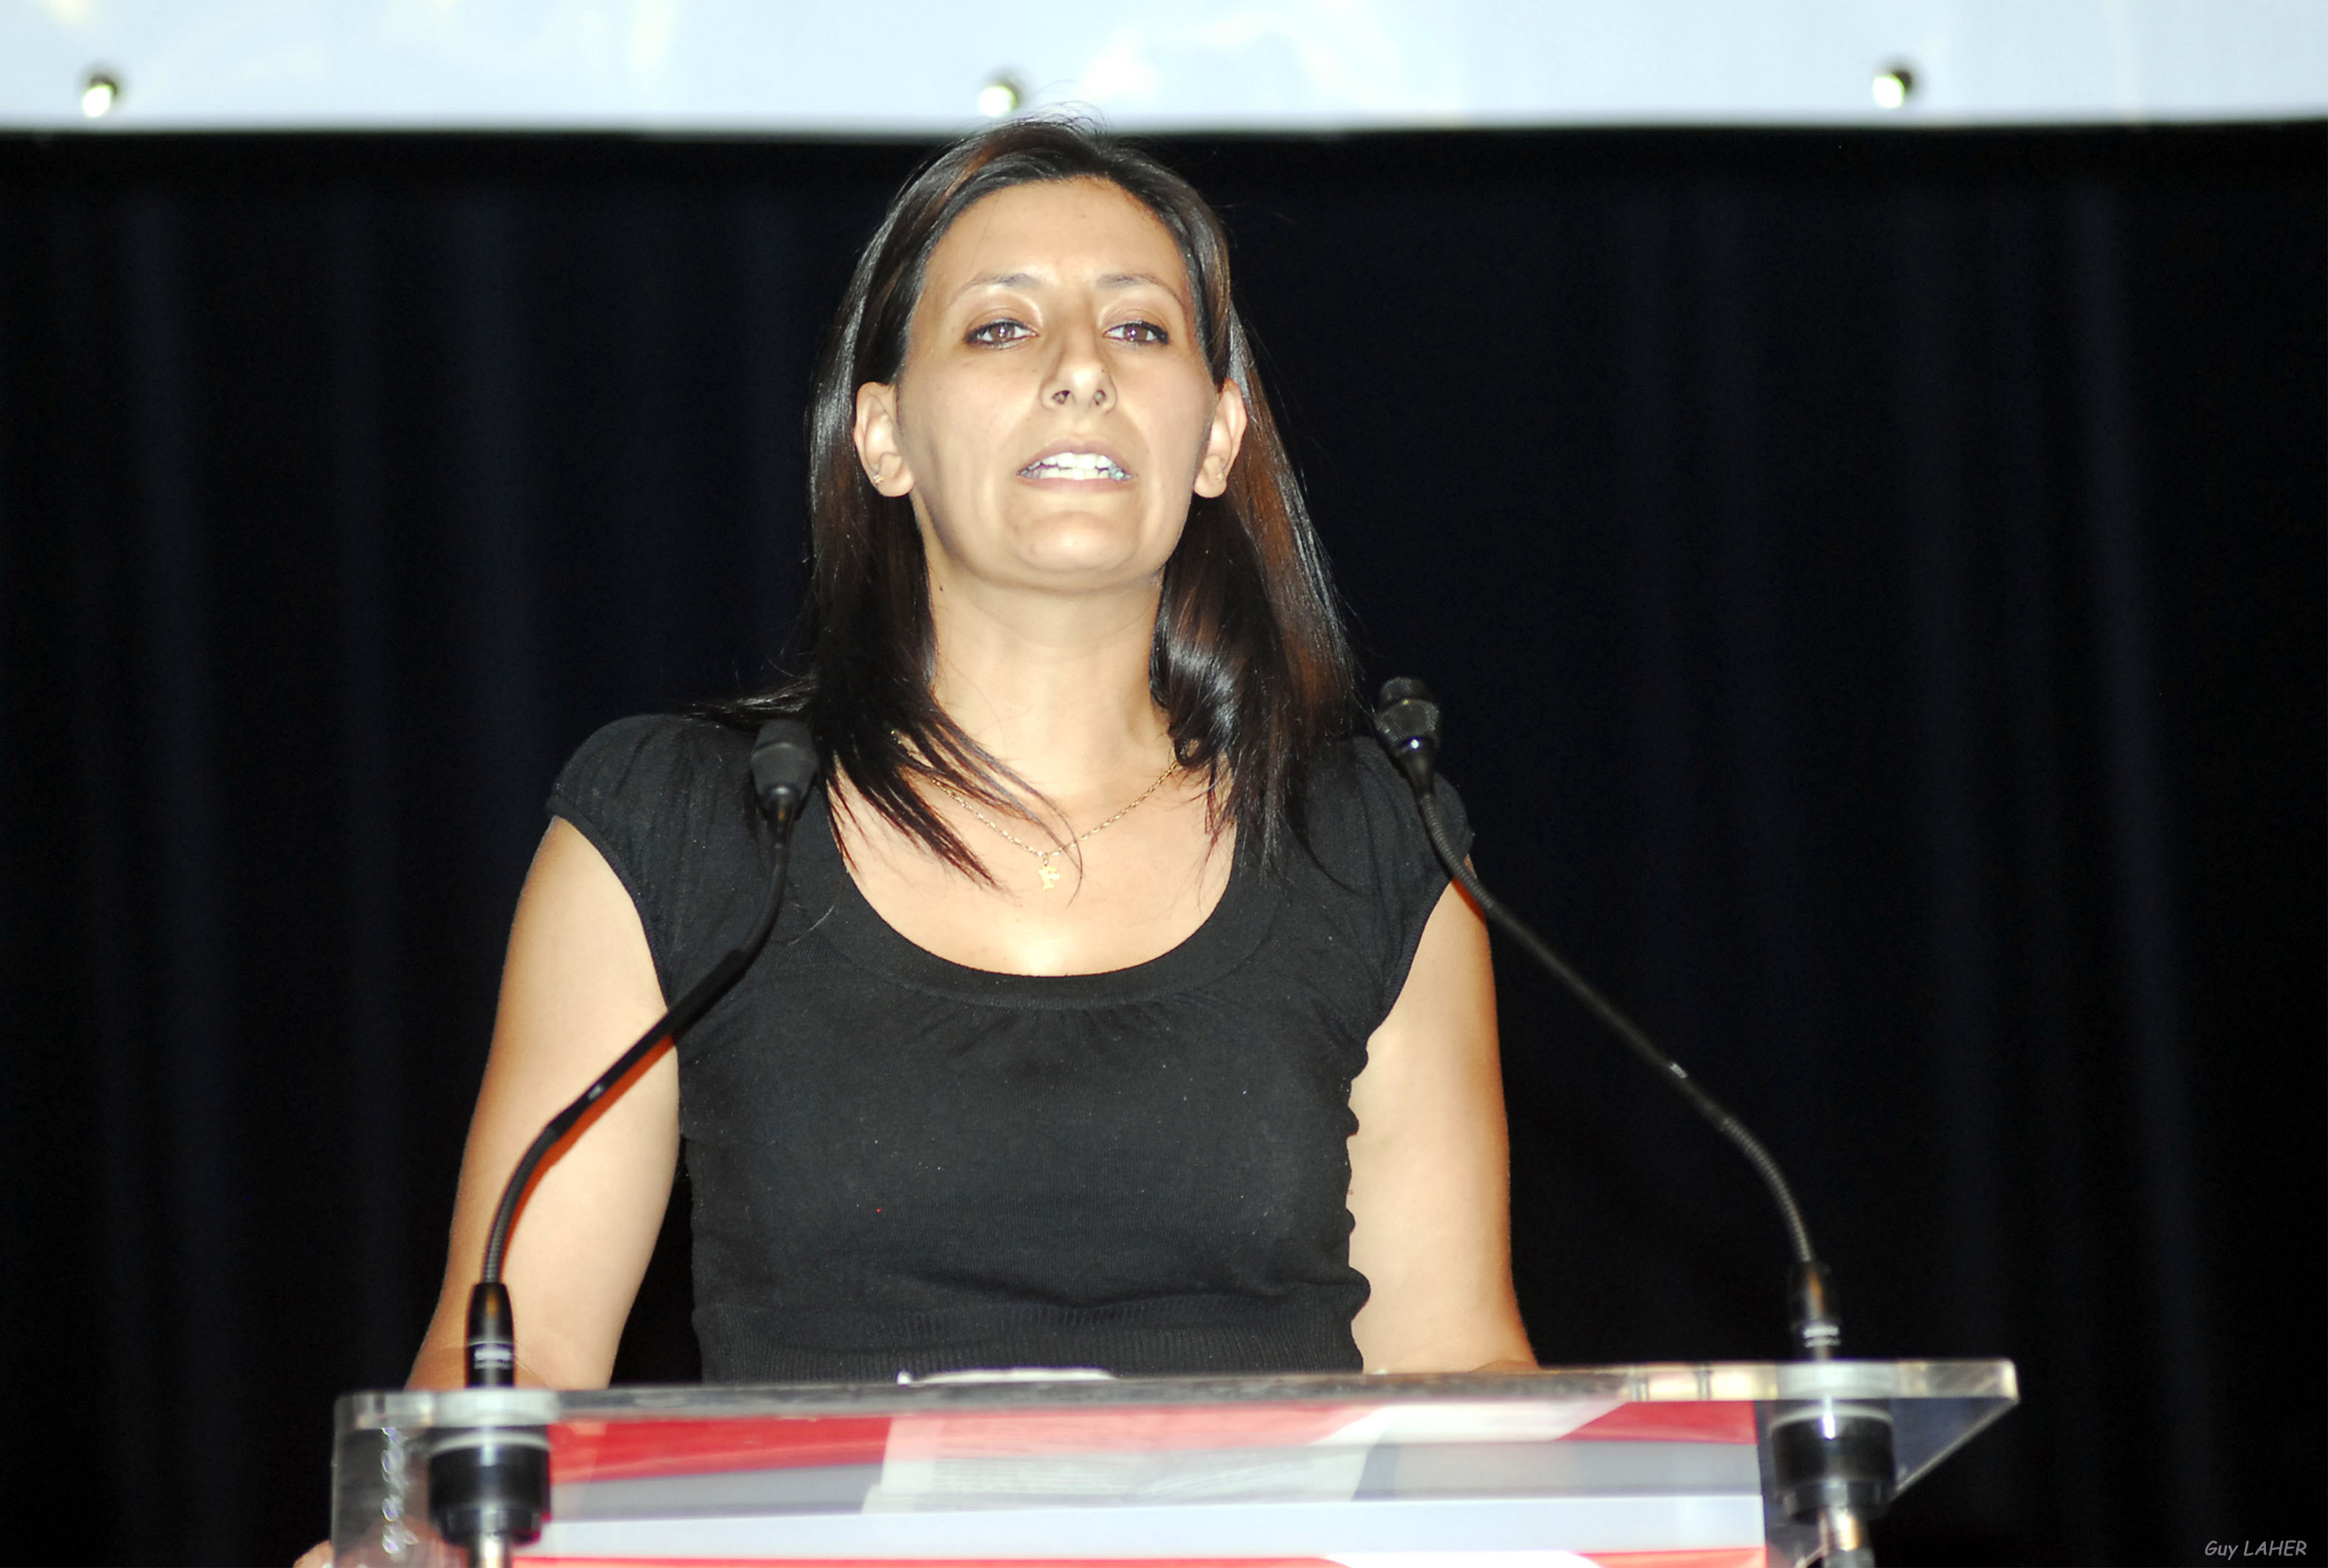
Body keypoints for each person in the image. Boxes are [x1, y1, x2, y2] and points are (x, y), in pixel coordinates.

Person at [407, 118, 1534, 1392]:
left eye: (1140, 328)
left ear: (1218, 436)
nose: (1082, 369)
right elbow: (514, 1357)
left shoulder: (1372, 842)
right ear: (881, 436)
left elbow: (1455, 1369)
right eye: (1001, 327)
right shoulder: (677, 828)